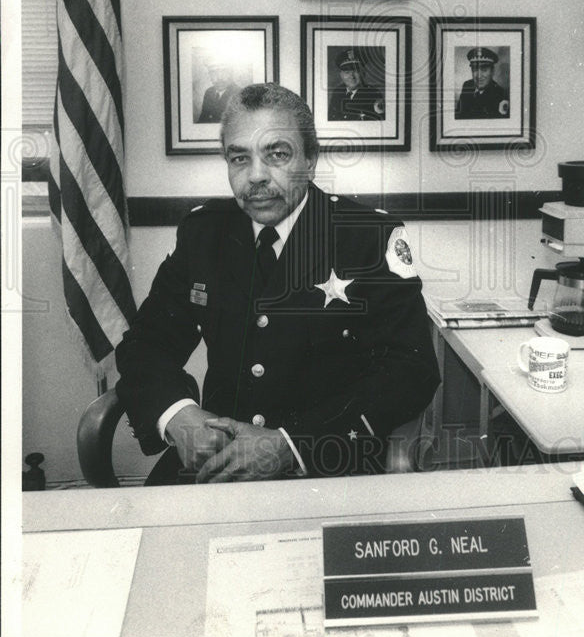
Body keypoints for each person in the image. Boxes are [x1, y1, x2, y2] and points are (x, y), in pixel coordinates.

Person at [116, 83, 438, 483]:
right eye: (239, 158)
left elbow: (412, 369)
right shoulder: (204, 234)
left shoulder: (368, 238)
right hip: (216, 461)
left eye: (277, 155)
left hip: (327, 464)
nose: (255, 176)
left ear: (311, 159)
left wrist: (292, 444)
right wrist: (179, 416)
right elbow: (145, 346)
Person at [327, 49, 385, 121]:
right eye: (347, 72)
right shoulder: (337, 92)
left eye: (356, 71)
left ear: (363, 73)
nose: (351, 76)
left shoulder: (373, 94)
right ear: (341, 75)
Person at [455, 47, 510, 119]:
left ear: (492, 71)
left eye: (484, 69)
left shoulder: (500, 94)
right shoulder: (467, 85)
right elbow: (460, 114)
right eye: (475, 69)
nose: (479, 76)